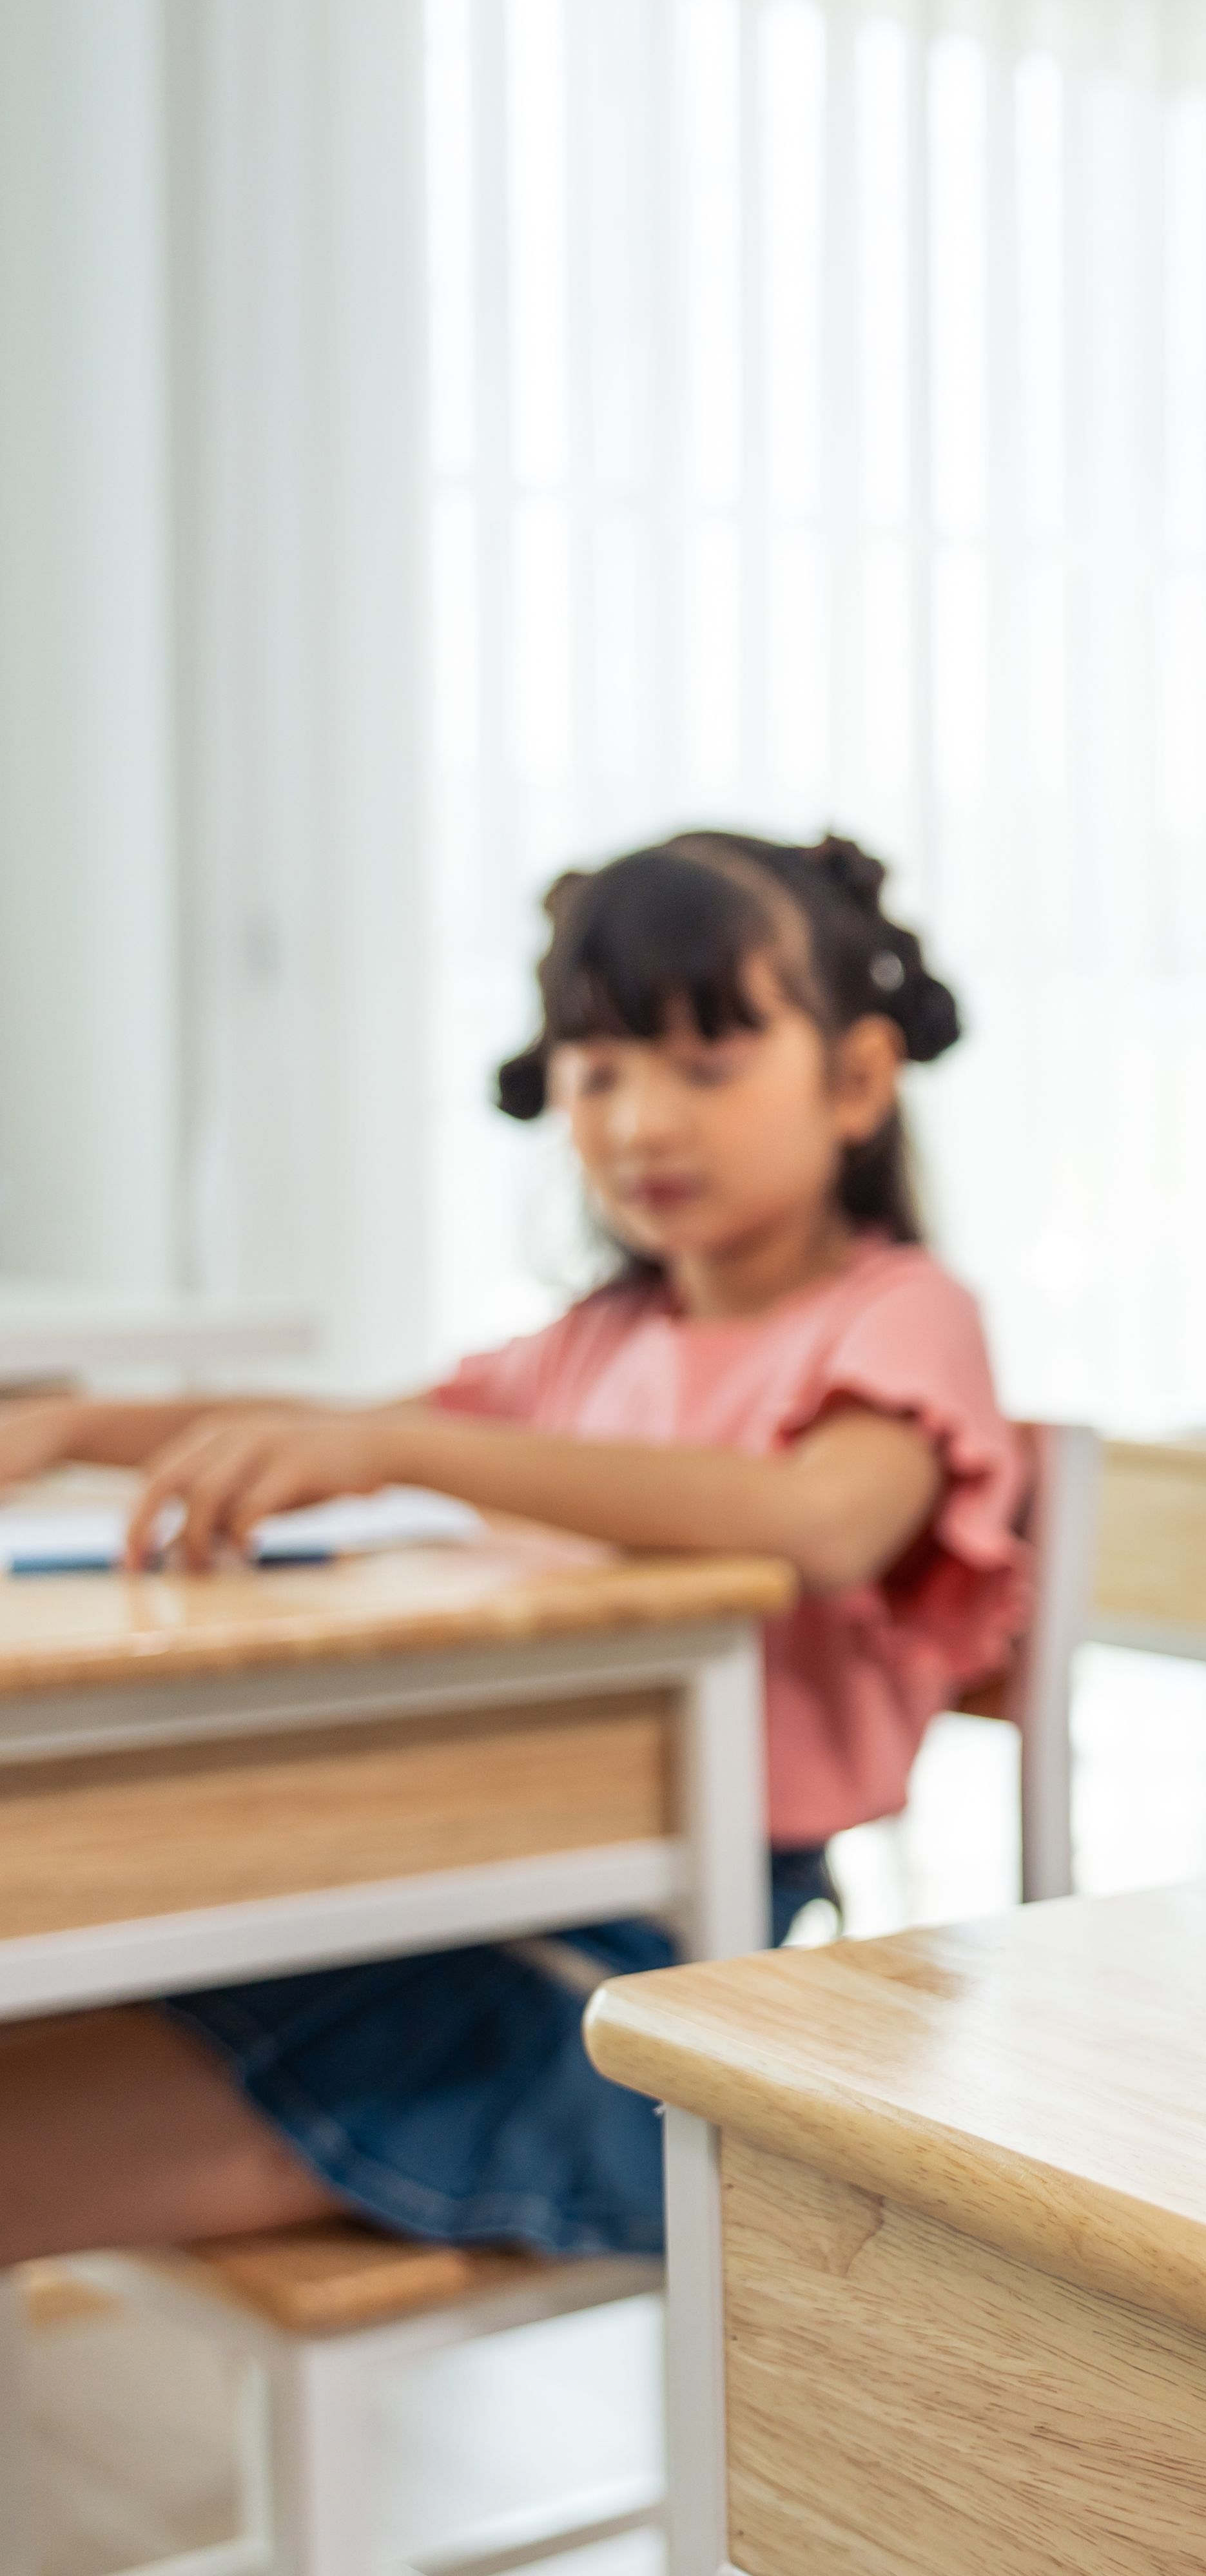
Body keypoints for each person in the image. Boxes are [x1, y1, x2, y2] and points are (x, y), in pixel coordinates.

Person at [0, 832, 1026, 2261]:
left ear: (857, 1080)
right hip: (480, 1889)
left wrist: (409, 1450)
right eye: (597, 1071)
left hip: (664, 1990)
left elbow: (825, 1521)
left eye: (705, 1065)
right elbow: (348, 1426)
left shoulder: (897, 1314)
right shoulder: (597, 1344)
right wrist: (73, 1429)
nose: (639, 1123)